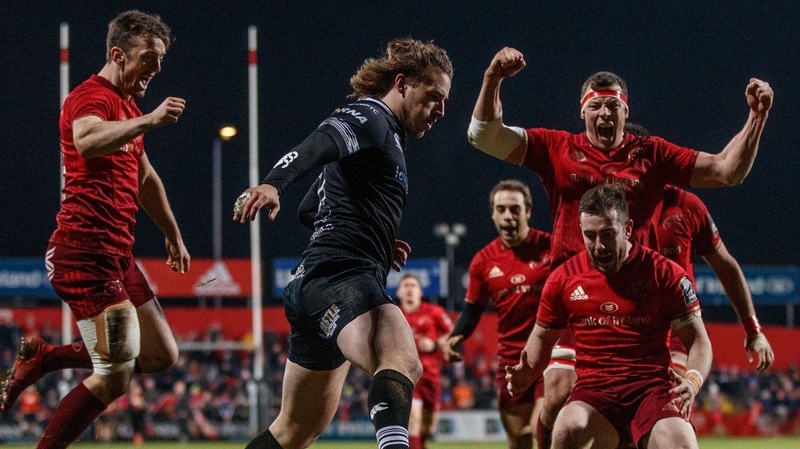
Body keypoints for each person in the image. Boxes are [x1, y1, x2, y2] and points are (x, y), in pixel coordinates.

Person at [467, 46, 773, 449]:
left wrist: (757, 117)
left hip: (638, 305)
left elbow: (726, 170)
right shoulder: (557, 149)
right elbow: (483, 135)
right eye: (596, 106)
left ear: (626, 112)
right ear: (582, 111)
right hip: (574, 299)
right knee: (558, 394)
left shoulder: (652, 155)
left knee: (648, 413)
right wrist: (492, 78)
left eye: (613, 105)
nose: (605, 114)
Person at [234, 38, 452, 449]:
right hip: (340, 275)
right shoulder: (372, 115)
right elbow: (319, 143)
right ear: (402, 83)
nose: (441, 110)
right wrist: (272, 183)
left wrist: (376, 237)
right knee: (401, 359)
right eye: (434, 97)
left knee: (294, 430)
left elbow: (308, 209)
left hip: (316, 283)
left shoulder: (385, 139)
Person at [0, 11, 189, 448]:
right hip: (83, 253)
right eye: (149, 58)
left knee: (162, 355)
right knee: (116, 376)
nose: (156, 70)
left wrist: (172, 233)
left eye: (161, 60)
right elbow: (86, 139)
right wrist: (150, 121)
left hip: (117, 257)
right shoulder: (91, 96)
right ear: (118, 55)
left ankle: (45, 359)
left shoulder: (128, 106)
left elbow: (145, 179)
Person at [506, 184, 713, 449]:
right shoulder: (563, 278)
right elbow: (543, 337)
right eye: (589, 236)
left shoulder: (665, 274)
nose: (599, 245)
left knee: (682, 444)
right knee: (568, 428)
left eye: (607, 234)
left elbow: (698, 340)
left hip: (651, 391)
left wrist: (693, 382)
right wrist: (529, 370)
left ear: (627, 229)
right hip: (595, 393)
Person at [625, 123, 774, 374]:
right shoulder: (604, 215)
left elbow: (725, 266)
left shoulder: (687, 208)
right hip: (622, 325)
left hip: (678, 327)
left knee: (672, 391)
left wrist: (753, 329)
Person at [441, 179, 551, 449]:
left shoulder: (552, 248)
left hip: (552, 357)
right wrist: (455, 336)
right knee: (520, 439)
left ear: (528, 212)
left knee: (543, 432)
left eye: (515, 209)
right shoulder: (483, 260)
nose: (508, 216)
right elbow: (472, 310)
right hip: (511, 362)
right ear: (493, 214)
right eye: (501, 209)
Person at [397, 274, 453, 449]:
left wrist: (435, 344)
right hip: (406, 376)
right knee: (413, 420)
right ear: (399, 292)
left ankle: (421, 443)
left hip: (430, 376)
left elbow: (453, 333)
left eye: (413, 285)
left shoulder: (434, 312)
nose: (409, 289)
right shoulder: (394, 315)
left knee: (428, 428)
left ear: (420, 292)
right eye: (405, 285)